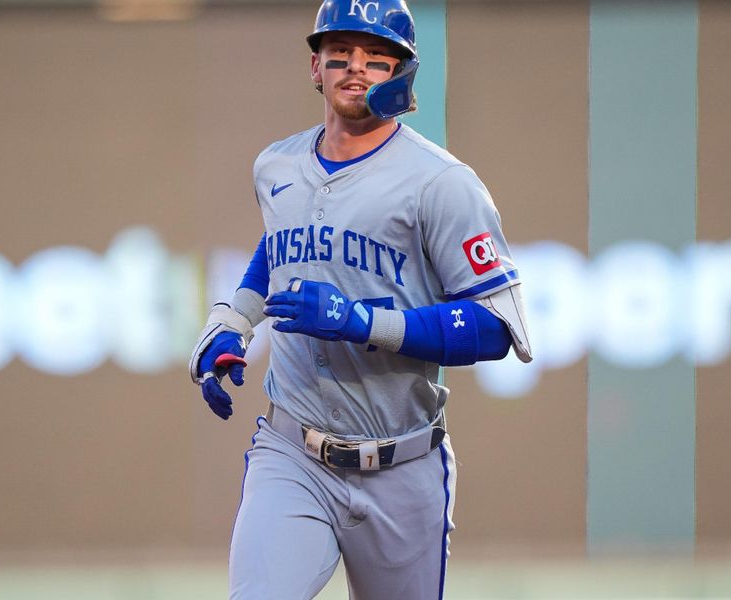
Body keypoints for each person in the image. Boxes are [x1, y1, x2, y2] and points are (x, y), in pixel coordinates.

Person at [189, 1, 532, 598]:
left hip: (401, 465)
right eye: (340, 55)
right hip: (293, 452)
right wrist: (232, 323)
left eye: (376, 60)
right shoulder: (278, 163)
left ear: (401, 74)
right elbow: (277, 251)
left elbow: (495, 327)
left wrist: (360, 321)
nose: (355, 69)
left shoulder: (441, 182)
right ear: (314, 67)